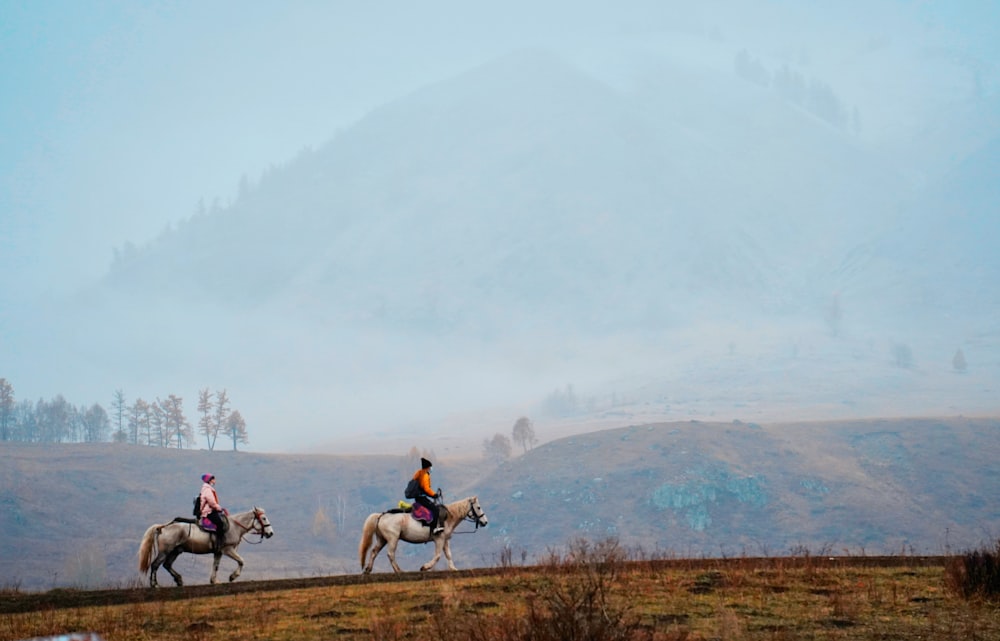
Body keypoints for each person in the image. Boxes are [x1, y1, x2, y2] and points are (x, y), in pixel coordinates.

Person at [411, 457, 443, 534]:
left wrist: (432, 496)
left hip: (418, 498)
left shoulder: (419, 473)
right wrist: (434, 494)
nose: (431, 468)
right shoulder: (425, 475)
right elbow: (426, 488)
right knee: (435, 509)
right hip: (422, 498)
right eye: (430, 467)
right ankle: (434, 528)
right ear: (428, 467)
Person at [199, 473, 228, 552]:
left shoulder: (207, 488)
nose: (214, 481)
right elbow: (211, 502)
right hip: (208, 512)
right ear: (209, 480)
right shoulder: (207, 489)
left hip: (210, 510)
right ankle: (219, 544)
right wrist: (219, 508)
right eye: (212, 479)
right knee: (220, 523)